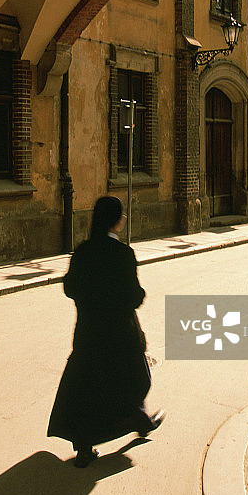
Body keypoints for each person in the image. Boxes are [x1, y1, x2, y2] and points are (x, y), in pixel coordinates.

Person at [47, 195, 165, 467]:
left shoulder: (83, 251)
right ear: (116, 221)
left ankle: (85, 448)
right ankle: (139, 420)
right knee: (135, 381)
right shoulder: (123, 254)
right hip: (121, 336)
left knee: (87, 391)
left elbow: (70, 288)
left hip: (89, 334)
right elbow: (134, 296)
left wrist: (89, 301)